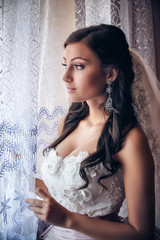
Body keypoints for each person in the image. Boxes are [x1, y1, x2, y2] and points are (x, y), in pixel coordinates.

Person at [25, 24, 160, 240]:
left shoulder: (130, 139)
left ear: (110, 74)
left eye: (78, 66)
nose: (65, 76)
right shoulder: (68, 123)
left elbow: (140, 232)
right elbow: (66, 193)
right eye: (65, 64)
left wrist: (69, 220)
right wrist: (17, 175)